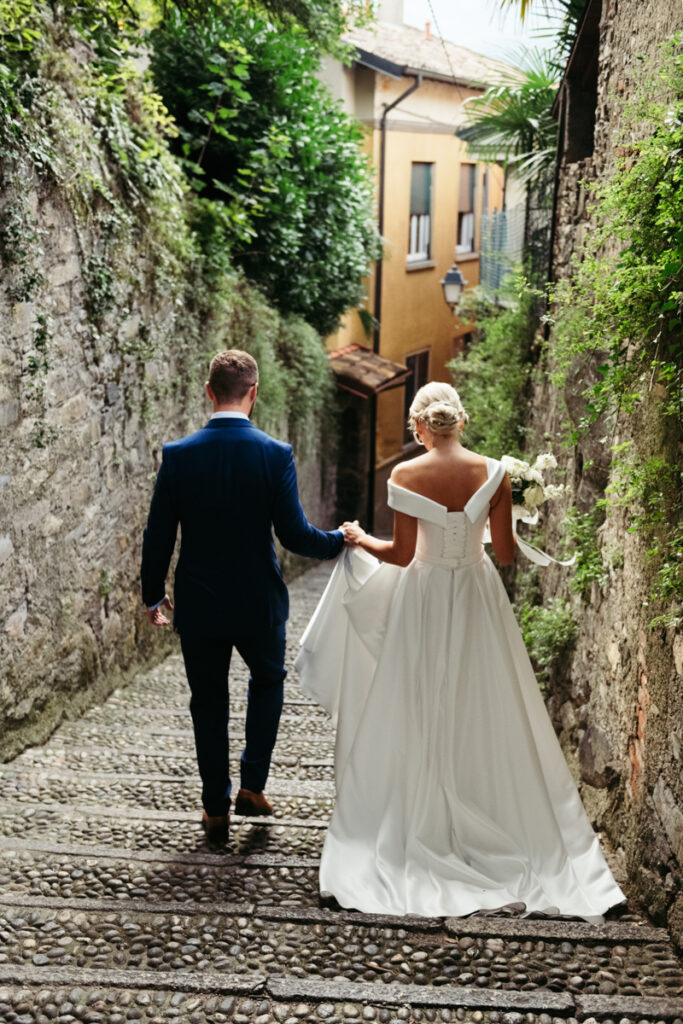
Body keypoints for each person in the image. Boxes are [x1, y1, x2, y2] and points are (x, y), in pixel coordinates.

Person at [295, 381, 625, 920]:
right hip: (475, 594)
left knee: (415, 700)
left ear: (420, 427)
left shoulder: (405, 474)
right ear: (461, 422)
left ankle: (411, 822)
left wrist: (359, 539)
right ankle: (499, 819)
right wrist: (499, 519)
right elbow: (509, 555)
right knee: (486, 704)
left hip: (422, 596)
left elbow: (401, 555)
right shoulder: (494, 473)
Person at [141, 349, 344, 842]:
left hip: (202, 601)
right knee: (267, 683)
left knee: (207, 702)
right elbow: (295, 535)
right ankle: (252, 785)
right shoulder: (275, 454)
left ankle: (215, 808)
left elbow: (158, 534)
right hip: (259, 602)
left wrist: (153, 596)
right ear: (254, 392)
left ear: (209, 391)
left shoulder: (179, 454)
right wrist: (341, 539)